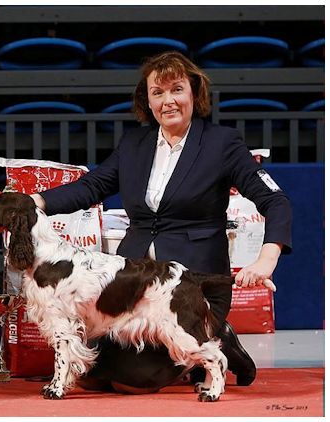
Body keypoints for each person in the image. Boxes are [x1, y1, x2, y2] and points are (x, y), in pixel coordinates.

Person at [31, 51, 292, 393]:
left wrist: (267, 258)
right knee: (94, 376)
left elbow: (275, 200)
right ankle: (213, 340)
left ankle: (212, 335)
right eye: (158, 92)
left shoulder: (222, 144)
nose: (168, 101)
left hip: (189, 289)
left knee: (131, 381)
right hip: (132, 291)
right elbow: (92, 186)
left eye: (177, 90)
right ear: (148, 100)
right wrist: (35, 201)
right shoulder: (134, 144)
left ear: (194, 94)